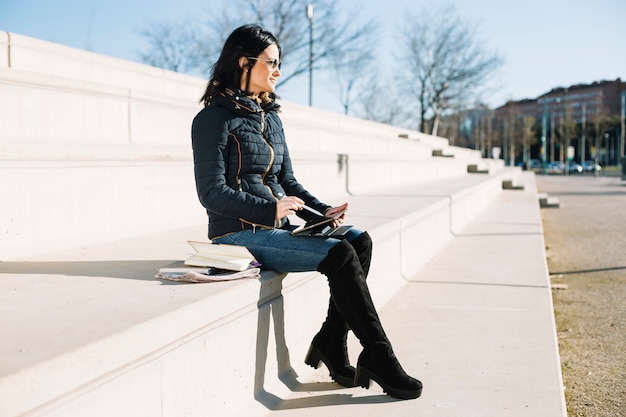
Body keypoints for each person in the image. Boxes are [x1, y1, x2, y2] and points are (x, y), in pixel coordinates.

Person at [191, 24, 422, 400]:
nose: (278, 71)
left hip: (276, 230)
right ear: (244, 62)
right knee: (340, 254)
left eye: (279, 63)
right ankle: (379, 354)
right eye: (271, 63)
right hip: (237, 235)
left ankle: (332, 340)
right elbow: (211, 192)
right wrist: (271, 209)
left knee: (357, 239)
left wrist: (321, 211)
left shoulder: (271, 118)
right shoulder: (212, 119)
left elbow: (289, 182)